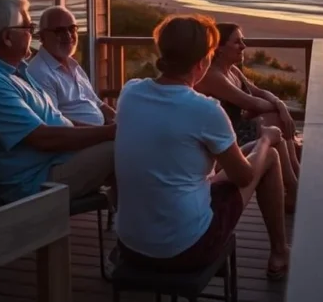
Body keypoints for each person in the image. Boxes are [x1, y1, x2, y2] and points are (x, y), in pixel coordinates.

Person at [114, 14, 290, 280]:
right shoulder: (204, 109)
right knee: (269, 155)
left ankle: (280, 247)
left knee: (247, 153)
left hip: (130, 245)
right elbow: (244, 176)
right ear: (204, 59)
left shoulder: (130, 92)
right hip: (185, 248)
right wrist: (266, 138)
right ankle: (280, 250)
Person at [0, 0, 116, 205]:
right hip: (37, 182)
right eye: (28, 29)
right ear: (7, 37)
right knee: (126, 147)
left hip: (58, 162)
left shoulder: (15, 71)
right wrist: (110, 133)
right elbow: (44, 138)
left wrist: (107, 131)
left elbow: (58, 120)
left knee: (129, 146)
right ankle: (144, 232)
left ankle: (134, 230)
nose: (32, 35)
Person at [195, 23, 302, 210]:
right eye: (237, 42)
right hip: (224, 141)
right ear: (218, 49)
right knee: (274, 122)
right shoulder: (214, 76)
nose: (243, 46)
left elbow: (259, 92)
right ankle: (294, 185)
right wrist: (277, 109)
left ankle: (295, 181)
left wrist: (280, 105)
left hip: (237, 129)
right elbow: (252, 103)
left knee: (275, 119)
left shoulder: (233, 70)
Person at [26, 5, 114, 126]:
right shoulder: (40, 73)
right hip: (80, 141)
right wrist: (104, 132)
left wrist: (120, 121)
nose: (68, 35)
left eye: (72, 29)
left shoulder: (72, 64)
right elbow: (54, 124)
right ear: (42, 37)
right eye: (59, 31)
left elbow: (97, 103)